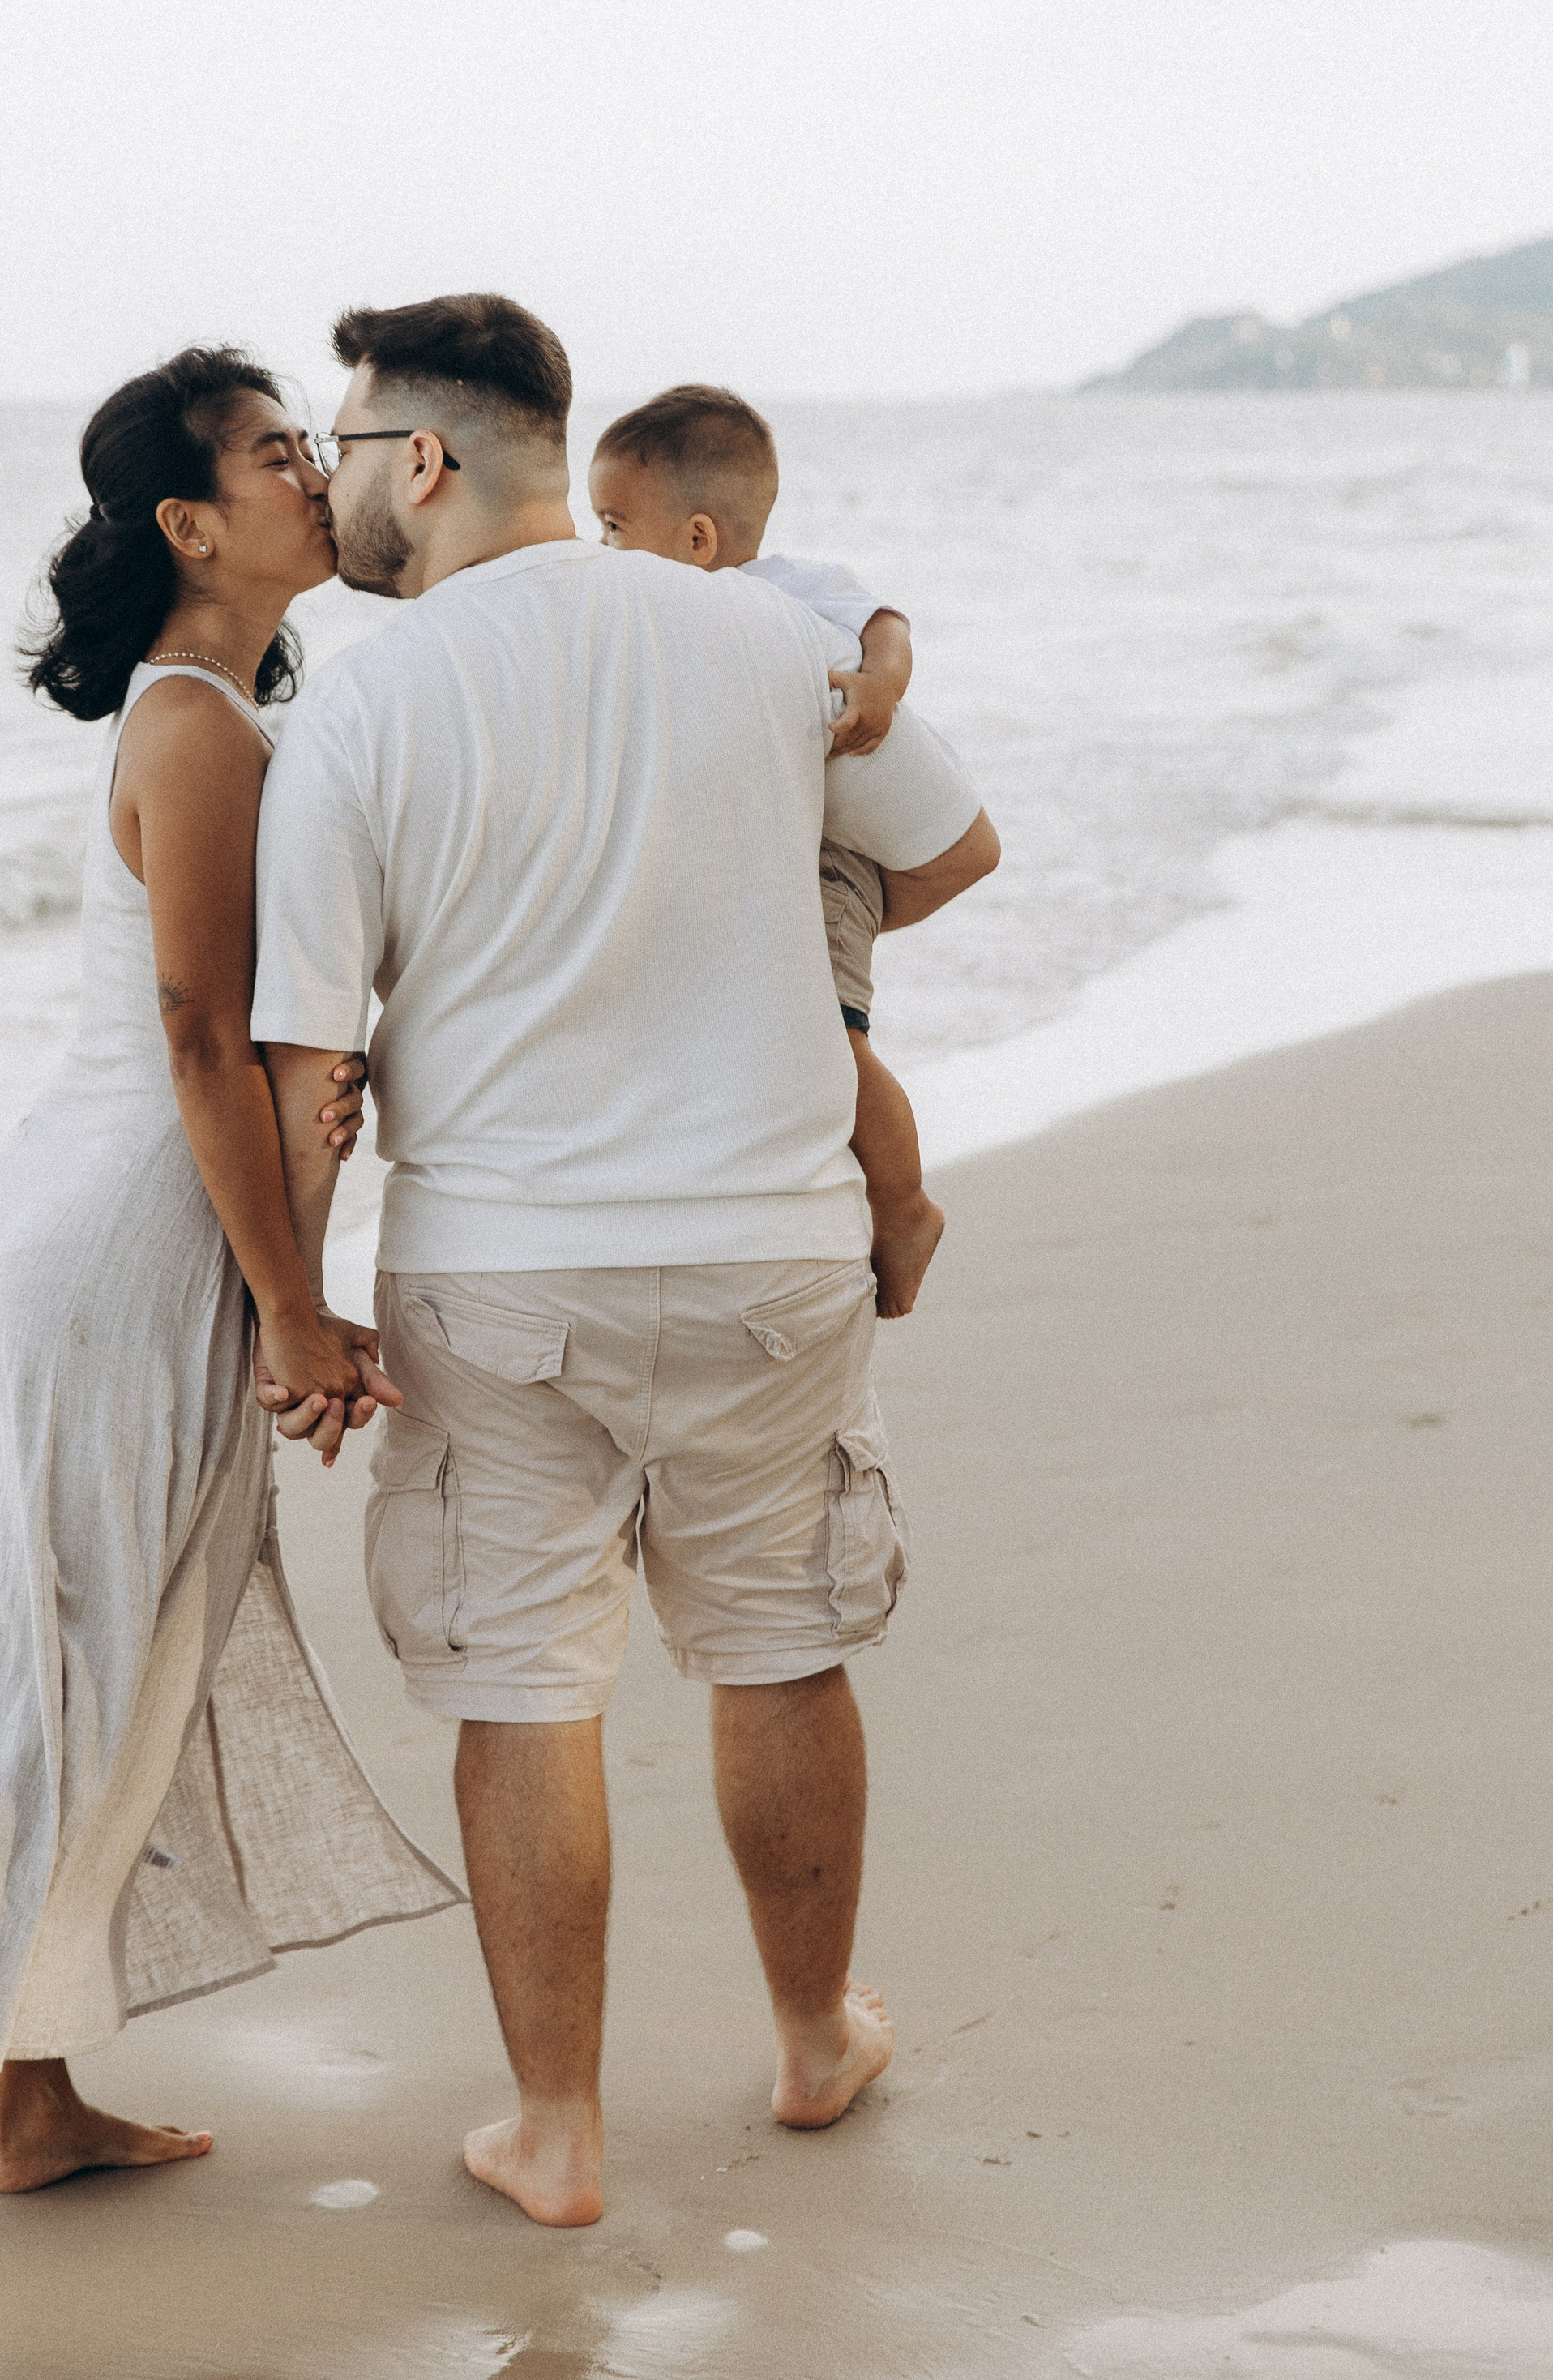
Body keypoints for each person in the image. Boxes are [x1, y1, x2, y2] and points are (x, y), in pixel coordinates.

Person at [0, 349, 460, 2336]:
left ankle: (30, 2096)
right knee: (43, 1689)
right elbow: (199, 1042)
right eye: (274, 455)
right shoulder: (203, 725)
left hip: (117, 1244)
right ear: (189, 528)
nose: (314, 471)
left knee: (111, 1662)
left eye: (317, 442)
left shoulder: (231, 704)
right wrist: (293, 1301)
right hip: (111, 1261)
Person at [249, 294, 998, 2228]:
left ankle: (558, 2131)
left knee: (527, 1683)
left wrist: (296, 1311)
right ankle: (815, 2038)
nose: (328, 483)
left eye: (340, 446)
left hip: (499, 1270)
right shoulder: (764, 634)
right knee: (779, 1643)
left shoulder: (360, 702)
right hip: (766, 1240)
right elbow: (936, 846)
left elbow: (303, 1056)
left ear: (419, 460)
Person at [588, 383, 970, 1317]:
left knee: (835, 1042)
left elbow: (887, 621)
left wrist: (880, 685)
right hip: (772, 848)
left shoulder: (788, 593)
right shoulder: (673, 623)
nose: (598, 548)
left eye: (610, 525)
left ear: (697, 542)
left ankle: (904, 1205)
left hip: (827, 857)